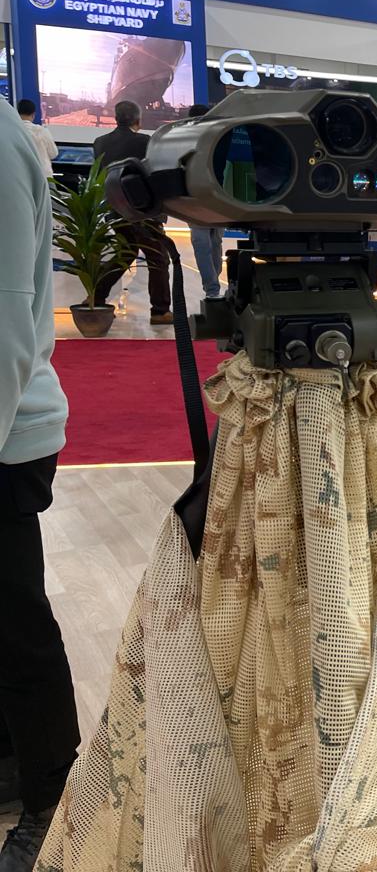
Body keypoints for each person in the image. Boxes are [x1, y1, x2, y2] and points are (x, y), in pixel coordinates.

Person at [0, 98, 78, 872]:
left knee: (15, 620)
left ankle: (53, 797)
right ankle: (14, 763)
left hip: (7, 433)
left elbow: (5, 322)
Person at [92, 101, 173, 325]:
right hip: (142, 209)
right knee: (157, 257)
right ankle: (160, 311)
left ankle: (95, 297)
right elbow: (153, 172)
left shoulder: (100, 142)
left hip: (115, 208)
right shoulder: (145, 141)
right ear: (138, 120)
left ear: (115, 118)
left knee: (125, 253)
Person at [182, 104, 225, 300]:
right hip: (211, 198)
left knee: (209, 243)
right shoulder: (215, 136)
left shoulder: (189, 138)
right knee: (208, 243)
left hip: (201, 197)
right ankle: (212, 288)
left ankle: (213, 287)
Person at [16, 99, 57, 178]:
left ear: (17, 113)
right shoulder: (42, 131)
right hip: (44, 177)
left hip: (21, 178)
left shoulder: (12, 131)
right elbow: (53, 154)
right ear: (33, 115)